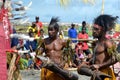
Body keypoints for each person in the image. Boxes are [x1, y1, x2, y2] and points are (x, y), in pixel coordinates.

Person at [77, 14, 119, 80]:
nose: (94, 31)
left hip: (104, 73)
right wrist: (89, 61)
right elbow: (98, 57)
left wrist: (99, 65)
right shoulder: (97, 42)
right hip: (96, 72)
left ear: (103, 30)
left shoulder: (107, 42)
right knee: (80, 68)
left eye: (96, 29)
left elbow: (115, 59)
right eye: (93, 28)